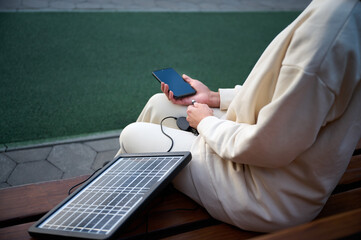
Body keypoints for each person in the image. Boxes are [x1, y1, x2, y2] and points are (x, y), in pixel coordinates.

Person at [116, 0, 361, 232]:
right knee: (159, 105)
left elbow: (269, 146)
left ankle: (105, 206)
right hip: (274, 170)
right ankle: (108, 199)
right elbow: (289, 97)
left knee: (132, 135)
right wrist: (213, 97)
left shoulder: (332, 30)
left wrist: (206, 123)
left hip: (263, 194)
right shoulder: (341, 15)